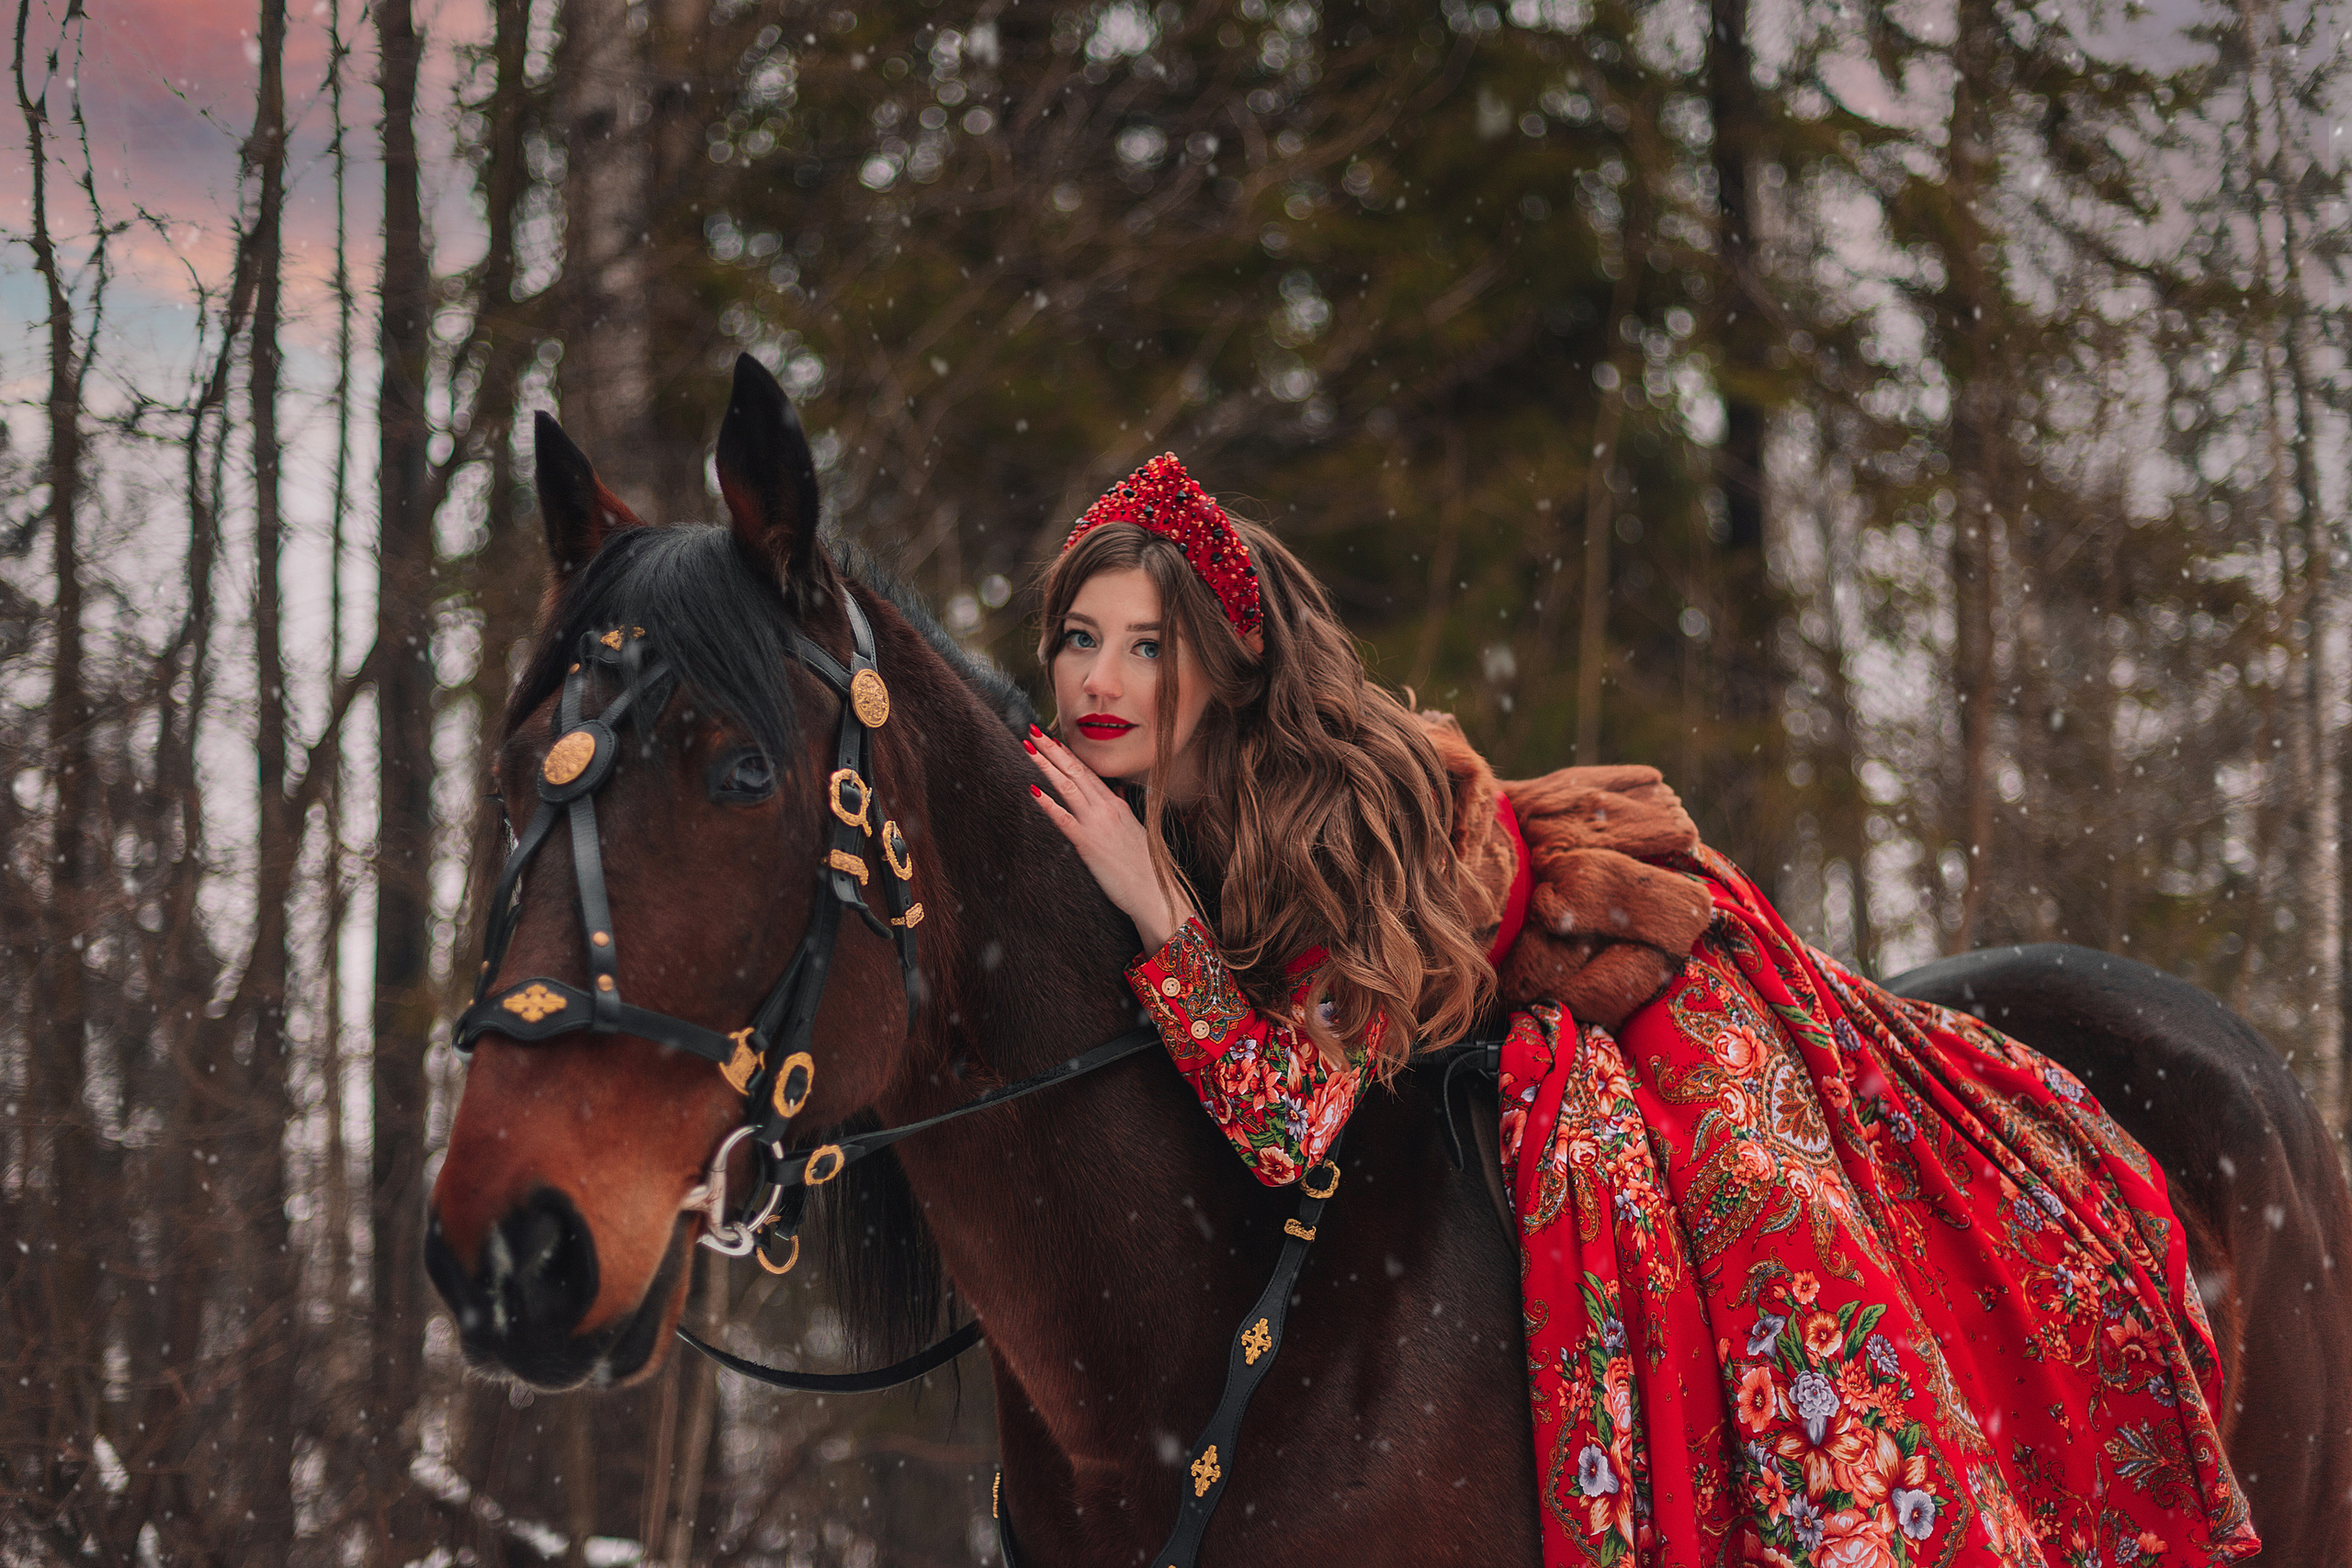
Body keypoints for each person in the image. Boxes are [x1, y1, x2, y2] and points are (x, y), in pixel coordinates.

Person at [1022, 454, 2256, 1567]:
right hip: (1479, 1005)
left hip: (1625, 983)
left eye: (1149, 646)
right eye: (1083, 636)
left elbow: (1293, 1121)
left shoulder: (1326, 811)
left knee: (1777, 1246)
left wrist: (1162, 921)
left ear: (1225, 666)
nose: (1103, 680)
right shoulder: (1117, 800)